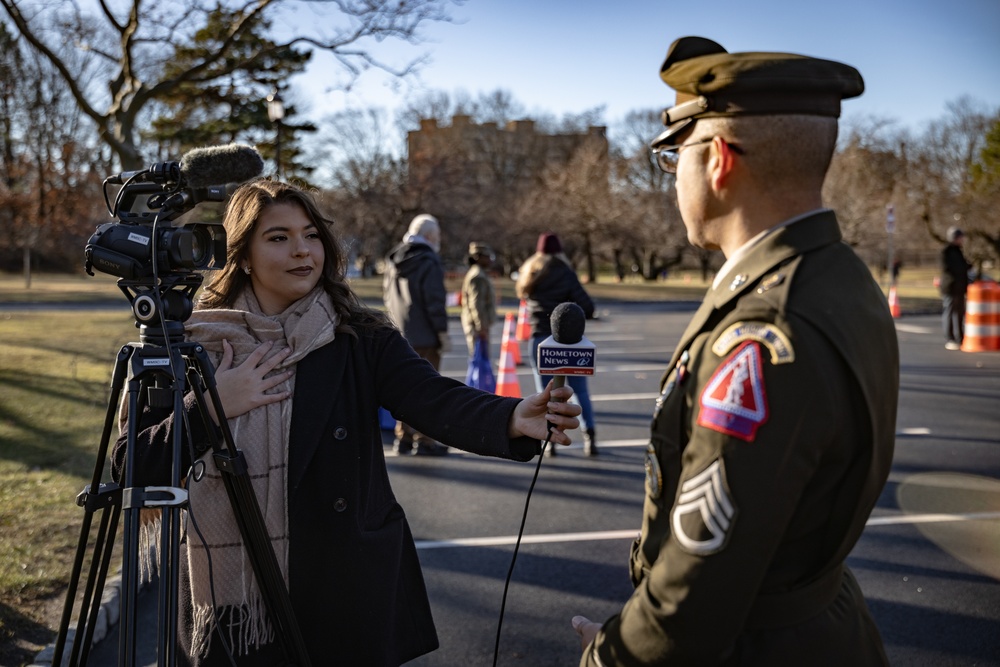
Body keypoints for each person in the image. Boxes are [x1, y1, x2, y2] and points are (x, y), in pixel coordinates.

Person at [110, 179, 580, 667]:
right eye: (278, 237)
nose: (302, 251)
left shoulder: (358, 335)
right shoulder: (189, 345)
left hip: (343, 591)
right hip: (234, 610)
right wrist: (211, 409)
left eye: (311, 235)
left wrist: (511, 416)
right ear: (243, 255)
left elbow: (433, 399)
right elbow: (132, 466)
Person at [571, 37, 899, 665]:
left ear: (718, 160)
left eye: (676, 158)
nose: (674, 179)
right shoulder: (841, 277)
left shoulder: (765, 330)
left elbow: (697, 590)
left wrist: (606, 660)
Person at [516, 232, 598, 456]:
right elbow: (588, 306)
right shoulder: (566, 272)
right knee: (580, 391)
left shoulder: (530, 273)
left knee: (544, 393)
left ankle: (548, 438)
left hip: (539, 338)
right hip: (569, 341)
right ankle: (590, 435)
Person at [382, 213, 450, 455]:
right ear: (430, 236)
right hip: (426, 336)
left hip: (401, 333)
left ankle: (404, 437)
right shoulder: (428, 260)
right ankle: (426, 440)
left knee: (406, 388)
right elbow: (434, 301)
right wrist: (442, 333)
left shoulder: (394, 259)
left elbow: (388, 297)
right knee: (429, 389)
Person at [460, 241, 498, 358]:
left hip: (478, 324)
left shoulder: (479, 274)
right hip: (476, 325)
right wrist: (481, 327)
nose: (489, 260)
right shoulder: (477, 276)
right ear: (477, 257)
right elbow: (476, 303)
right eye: (486, 256)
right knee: (480, 360)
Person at [940, 226, 971, 350]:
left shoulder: (958, 251)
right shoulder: (946, 251)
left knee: (959, 313)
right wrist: (962, 269)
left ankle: (960, 337)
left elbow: (963, 266)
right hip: (950, 286)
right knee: (950, 310)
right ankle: (950, 337)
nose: (962, 240)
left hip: (959, 287)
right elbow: (947, 268)